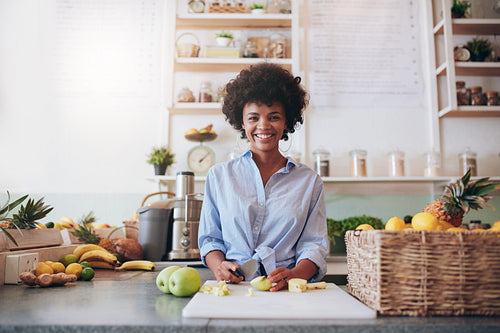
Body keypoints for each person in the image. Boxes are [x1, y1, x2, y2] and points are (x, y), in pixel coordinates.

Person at [198, 63, 328, 292]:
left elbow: (314, 244)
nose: (263, 126)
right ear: (242, 121)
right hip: (233, 289)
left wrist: (295, 275)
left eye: (274, 117)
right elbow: (210, 240)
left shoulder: (309, 182)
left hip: (287, 291)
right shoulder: (219, 176)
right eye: (254, 117)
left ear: (287, 121)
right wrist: (219, 266)